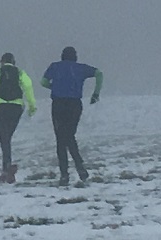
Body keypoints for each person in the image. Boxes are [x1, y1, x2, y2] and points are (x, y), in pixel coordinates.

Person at [41, 46, 103, 186]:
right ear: (75, 56)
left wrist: (55, 86)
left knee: (60, 138)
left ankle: (64, 174)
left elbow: (43, 82)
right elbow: (99, 73)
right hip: (75, 105)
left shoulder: (54, 67)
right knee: (69, 135)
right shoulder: (80, 68)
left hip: (58, 104)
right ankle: (80, 166)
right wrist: (96, 94)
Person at [0, 52, 36, 184]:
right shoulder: (19, 72)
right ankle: (6, 170)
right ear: (14, 62)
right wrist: (32, 105)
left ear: (2, 62)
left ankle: (6, 168)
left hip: (1, 105)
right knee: (8, 136)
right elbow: (28, 86)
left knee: (4, 137)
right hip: (17, 106)